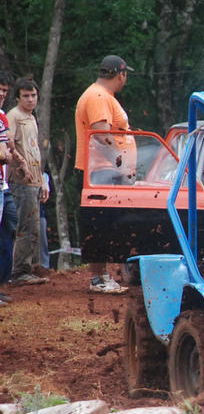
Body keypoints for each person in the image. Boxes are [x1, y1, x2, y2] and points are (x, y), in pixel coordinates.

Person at [74, 55, 134, 294]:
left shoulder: (101, 95)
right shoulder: (98, 97)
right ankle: (98, 277)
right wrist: (119, 161)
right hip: (100, 171)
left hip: (103, 170)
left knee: (107, 223)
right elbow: (101, 135)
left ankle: (102, 275)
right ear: (121, 74)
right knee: (100, 223)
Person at [7, 78, 49, 286]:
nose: (30, 99)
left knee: (34, 226)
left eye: (33, 95)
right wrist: (21, 165)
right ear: (17, 97)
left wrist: (43, 182)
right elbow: (9, 144)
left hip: (34, 179)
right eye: (26, 95)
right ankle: (19, 271)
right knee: (25, 225)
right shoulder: (13, 116)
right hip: (20, 180)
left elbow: (35, 150)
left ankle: (29, 267)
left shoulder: (31, 118)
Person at [0, 71, 14, 302]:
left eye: (4, 90)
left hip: (3, 184)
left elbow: (8, 149)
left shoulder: (2, 116)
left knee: (8, 229)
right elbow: (4, 152)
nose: (2, 94)